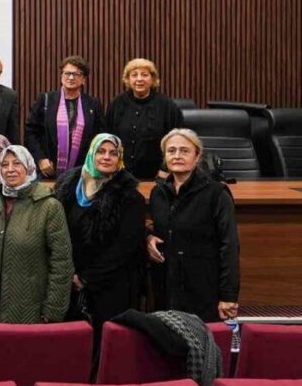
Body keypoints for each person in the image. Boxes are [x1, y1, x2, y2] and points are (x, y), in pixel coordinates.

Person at [53, 134, 146, 331]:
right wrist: (67, 274)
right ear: (91, 154)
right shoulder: (67, 186)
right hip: (69, 283)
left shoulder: (129, 196)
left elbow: (124, 248)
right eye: (101, 152)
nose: (106, 157)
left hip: (111, 286)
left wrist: (86, 278)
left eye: (113, 153)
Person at [147, 129, 240, 322]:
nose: (177, 156)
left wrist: (228, 296)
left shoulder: (216, 193)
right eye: (171, 151)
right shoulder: (158, 193)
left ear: (197, 156)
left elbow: (229, 245)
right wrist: (147, 237)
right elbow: (160, 229)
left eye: (184, 151)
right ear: (165, 157)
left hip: (203, 291)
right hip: (167, 292)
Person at [0, 145, 73, 323]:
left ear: (29, 167)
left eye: (17, 163)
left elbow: (62, 263)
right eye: (5, 164)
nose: (10, 170)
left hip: (31, 312)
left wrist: (53, 310)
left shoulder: (49, 207)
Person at [25, 55, 104, 178]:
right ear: (61, 76)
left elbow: (99, 136)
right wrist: (40, 159)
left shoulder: (93, 104)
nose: (71, 77)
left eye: (76, 74)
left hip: (83, 172)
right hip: (48, 169)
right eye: (67, 73)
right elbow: (31, 132)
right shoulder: (46, 100)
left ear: (83, 79)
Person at [104, 58, 183, 180]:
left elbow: (178, 141)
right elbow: (106, 137)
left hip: (155, 177)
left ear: (153, 79)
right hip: (119, 175)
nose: (139, 79)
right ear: (128, 80)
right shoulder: (117, 103)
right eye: (134, 75)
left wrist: (165, 169)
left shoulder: (167, 106)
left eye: (144, 75)